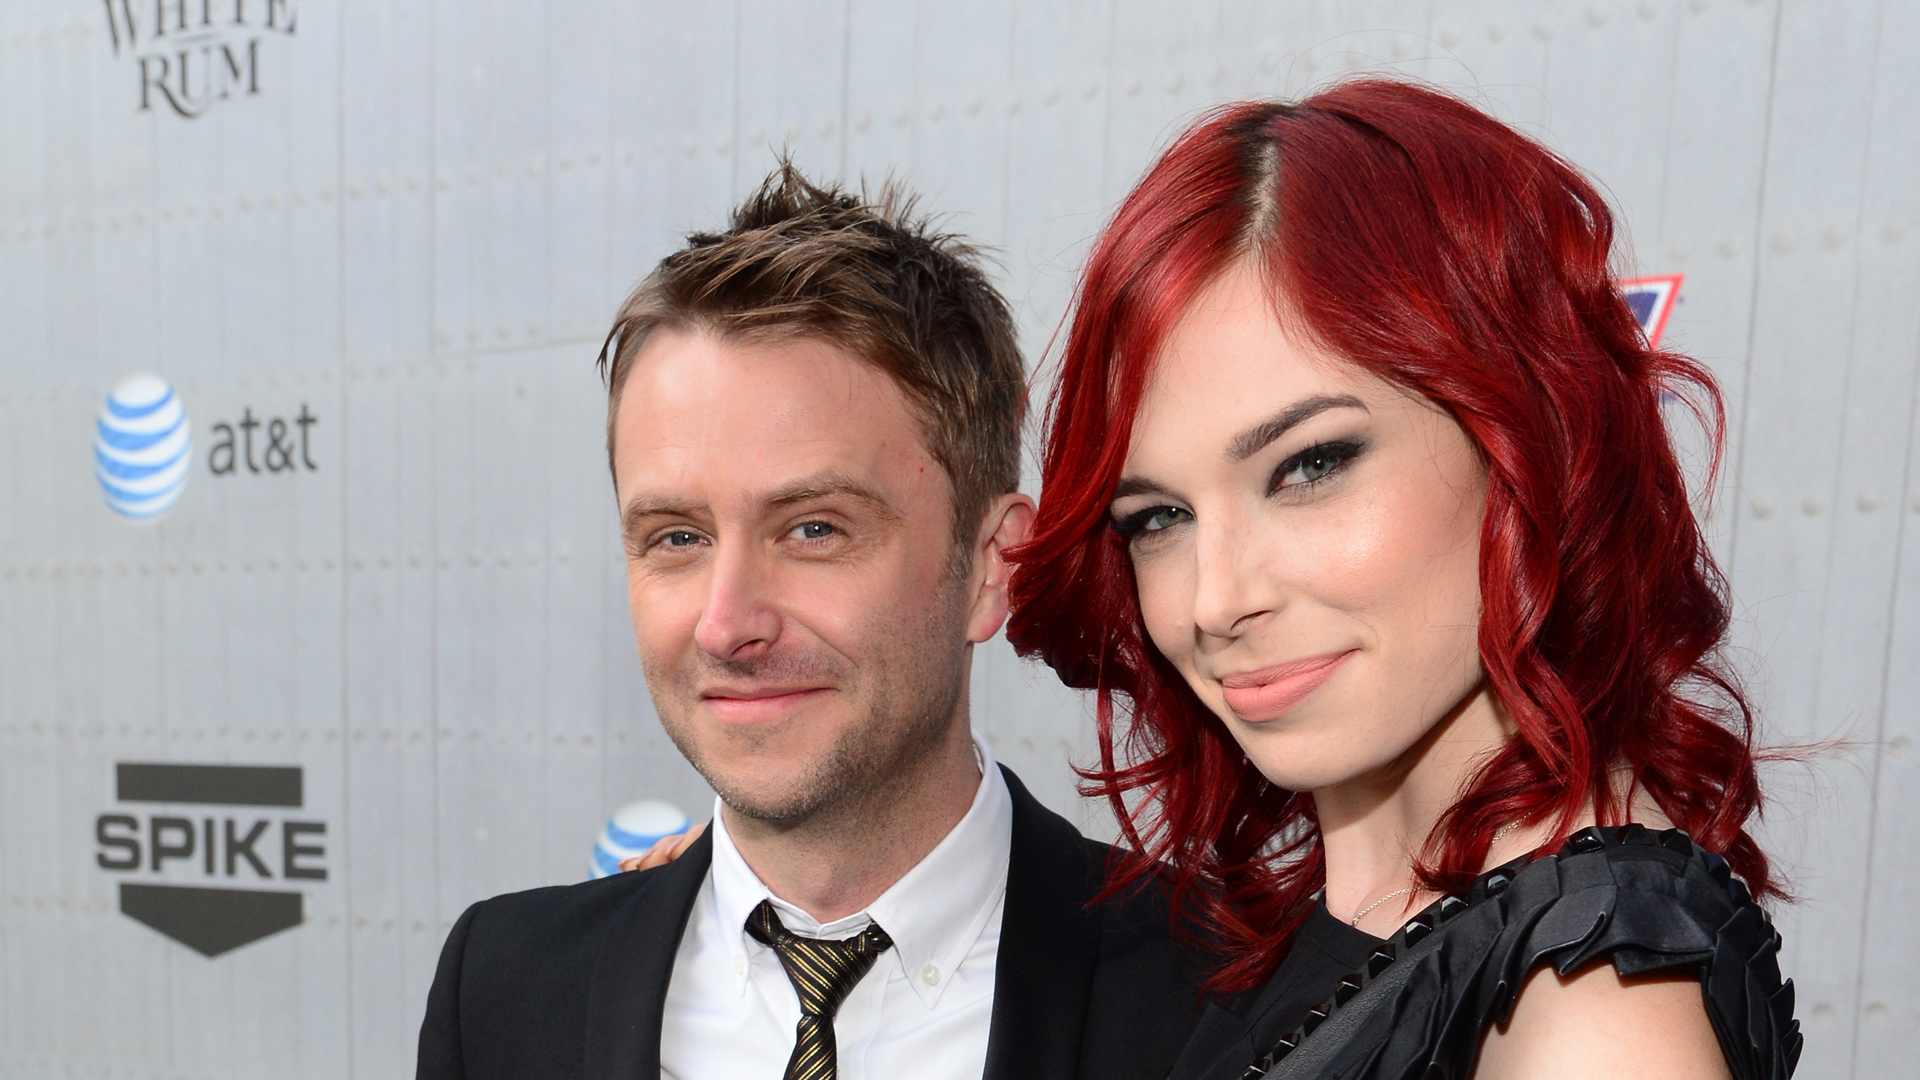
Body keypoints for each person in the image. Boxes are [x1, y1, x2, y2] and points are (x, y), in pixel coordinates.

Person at [1004, 80, 1801, 1080]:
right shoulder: (1349, 924)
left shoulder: (1588, 1012)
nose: (1215, 600)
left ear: (1524, 437)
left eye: (1311, 465)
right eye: (1158, 517)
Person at [414, 164, 1206, 1080]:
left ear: (993, 566)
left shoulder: (1219, 999)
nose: (726, 624)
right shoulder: (505, 990)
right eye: (677, 536)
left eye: (815, 529)